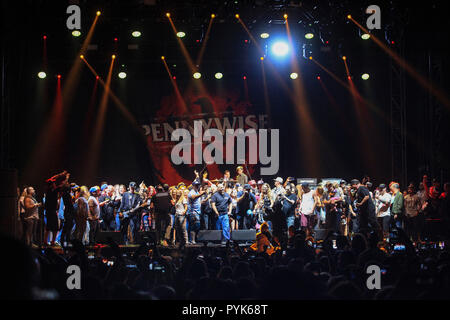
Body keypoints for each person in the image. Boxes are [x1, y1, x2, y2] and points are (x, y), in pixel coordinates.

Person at [187, 179, 204, 244]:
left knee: (197, 226)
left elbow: (198, 202)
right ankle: (192, 240)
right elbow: (193, 197)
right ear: (193, 186)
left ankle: (194, 239)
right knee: (194, 226)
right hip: (193, 212)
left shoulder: (197, 192)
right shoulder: (192, 192)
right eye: (196, 185)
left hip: (198, 212)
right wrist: (201, 194)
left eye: (198, 185)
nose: (197, 186)